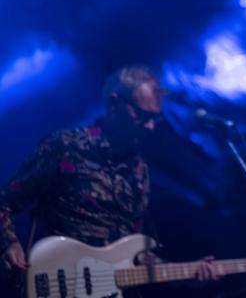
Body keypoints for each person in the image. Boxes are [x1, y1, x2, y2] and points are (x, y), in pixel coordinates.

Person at [0, 65, 219, 283]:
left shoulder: (139, 171)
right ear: (114, 103)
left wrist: (190, 270)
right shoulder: (66, 145)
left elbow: (136, 256)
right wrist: (10, 243)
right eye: (143, 115)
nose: (151, 126)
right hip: (57, 280)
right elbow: (5, 200)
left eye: (156, 118)